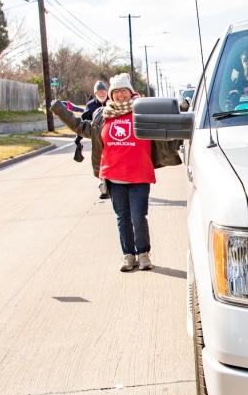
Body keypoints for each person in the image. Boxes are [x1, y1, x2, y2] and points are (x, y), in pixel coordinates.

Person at [50, 73, 182, 272]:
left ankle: (143, 253)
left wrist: (184, 109)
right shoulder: (102, 115)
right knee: (122, 218)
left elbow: (166, 123)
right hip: (114, 175)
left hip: (139, 174)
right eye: (116, 91)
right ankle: (128, 255)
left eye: (124, 90)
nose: (120, 95)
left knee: (139, 217)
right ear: (112, 95)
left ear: (131, 92)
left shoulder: (142, 112)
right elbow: (82, 128)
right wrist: (60, 111)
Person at [73, 81, 109, 167]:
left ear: (107, 92)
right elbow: (83, 121)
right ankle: (101, 176)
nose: (101, 93)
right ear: (95, 93)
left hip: (110, 135)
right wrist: (78, 138)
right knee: (98, 159)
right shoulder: (91, 105)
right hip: (96, 136)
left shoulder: (112, 101)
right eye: (99, 92)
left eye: (103, 91)